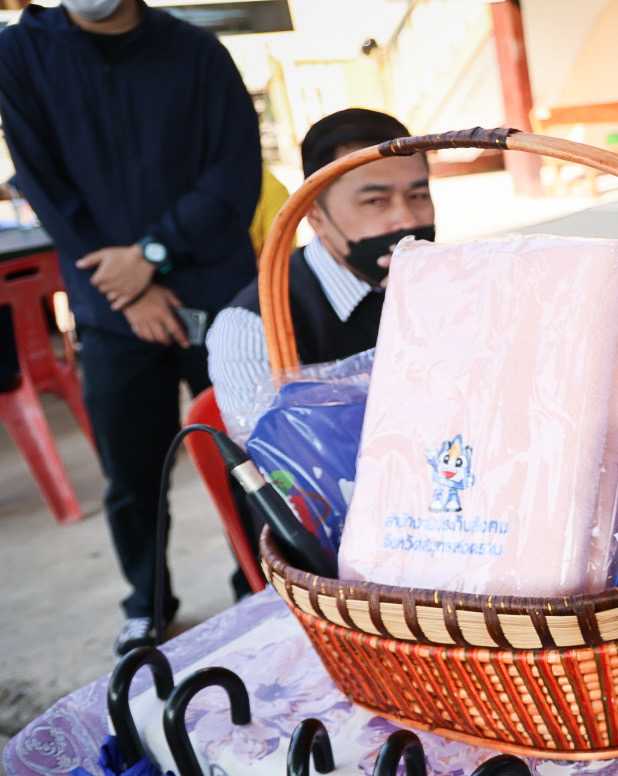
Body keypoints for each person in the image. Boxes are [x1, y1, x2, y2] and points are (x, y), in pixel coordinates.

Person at [0, 0, 261, 654]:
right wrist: (127, 290)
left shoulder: (197, 54)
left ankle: (258, 588)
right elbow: (45, 185)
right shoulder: (21, 55)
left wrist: (150, 256)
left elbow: (233, 178)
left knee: (246, 457)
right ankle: (146, 601)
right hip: (110, 306)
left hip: (215, 298)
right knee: (131, 471)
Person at [208, 108, 434, 437]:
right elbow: (280, 457)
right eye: (375, 201)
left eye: (418, 195)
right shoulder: (252, 328)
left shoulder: (450, 287)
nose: (408, 219)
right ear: (316, 215)